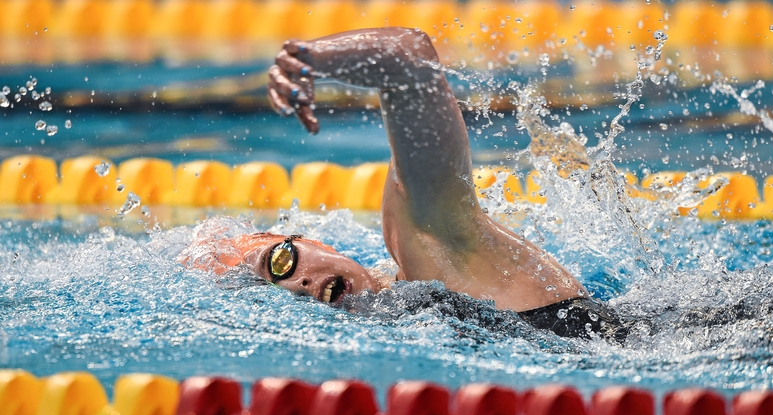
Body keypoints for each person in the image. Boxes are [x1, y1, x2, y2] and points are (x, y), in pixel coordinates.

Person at [190, 28, 625, 341]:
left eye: (279, 264)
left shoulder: (427, 244)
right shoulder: (403, 312)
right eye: (272, 297)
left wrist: (305, 58)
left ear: (304, 240)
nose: (295, 287)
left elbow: (408, 58)